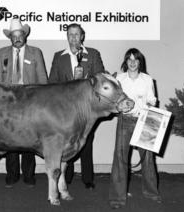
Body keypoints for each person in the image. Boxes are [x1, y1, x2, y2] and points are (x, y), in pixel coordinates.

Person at [49, 23, 105, 189]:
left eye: (76, 34)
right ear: (67, 37)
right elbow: (52, 82)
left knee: (87, 141)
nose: (73, 38)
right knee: (68, 142)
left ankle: (88, 179)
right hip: (65, 109)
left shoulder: (93, 54)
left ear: (82, 36)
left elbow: (100, 78)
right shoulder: (59, 56)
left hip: (86, 108)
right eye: (70, 34)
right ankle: (67, 176)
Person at [0, 18, 48, 188]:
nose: (17, 38)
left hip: (30, 102)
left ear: (25, 35)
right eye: (14, 35)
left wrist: (41, 103)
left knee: (29, 139)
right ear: (10, 37)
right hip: (8, 102)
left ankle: (29, 175)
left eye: (20, 35)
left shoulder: (35, 52)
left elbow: (43, 80)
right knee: (9, 139)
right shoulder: (3, 53)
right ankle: (12, 174)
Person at [109, 48, 162, 209]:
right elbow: (112, 100)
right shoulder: (119, 78)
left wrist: (148, 104)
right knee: (120, 159)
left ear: (140, 62)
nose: (132, 62)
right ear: (125, 62)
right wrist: (119, 107)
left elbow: (153, 100)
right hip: (125, 121)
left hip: (144, 120)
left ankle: (151, 192)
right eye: (129, 59)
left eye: (135, 59)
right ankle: (118, 198)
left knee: (147, 159)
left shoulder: (147, 79)